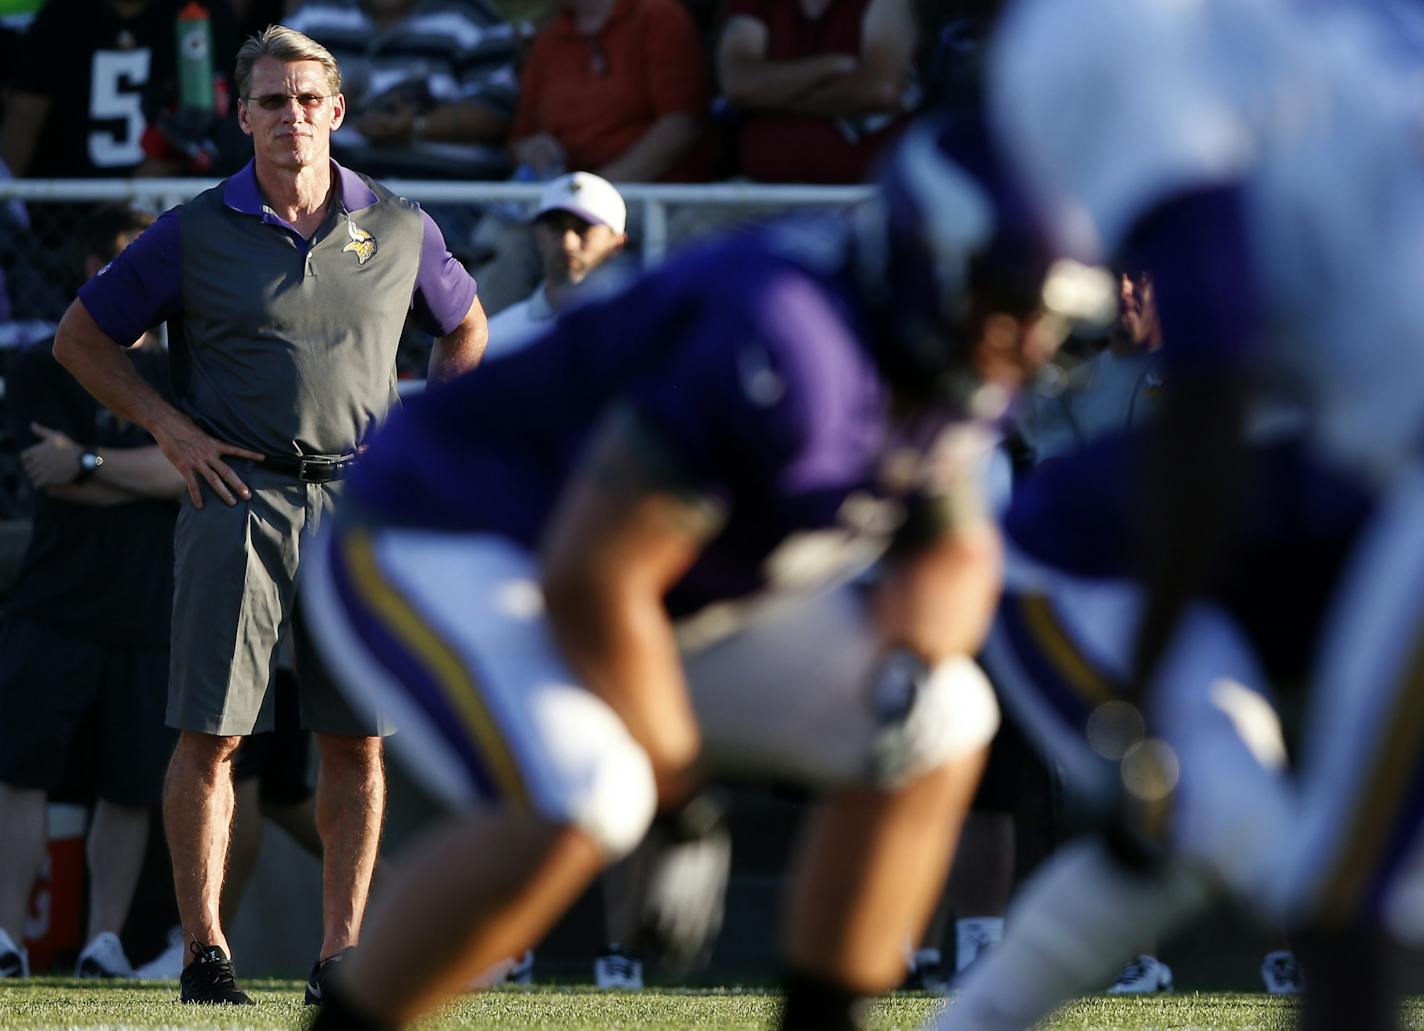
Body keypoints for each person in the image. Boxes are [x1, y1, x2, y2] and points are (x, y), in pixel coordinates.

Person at [297, 116, 1115, 1031]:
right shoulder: (788, 341)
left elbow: (955, 554)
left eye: (1044, 319)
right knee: (592, 793)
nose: (1028, 347)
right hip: (438, 540)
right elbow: (592, 581)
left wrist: (910, 651)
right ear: (936, 262)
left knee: (943, 713)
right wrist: (684, 808)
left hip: (638, 586)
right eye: (1012, 309)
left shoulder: (952, 344)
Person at [921, 1, 1424, 1027]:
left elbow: (1219, 366)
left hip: (1327, 485)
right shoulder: (1129, 39)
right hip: (1140, 538)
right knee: (1323, 892)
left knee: (1297, 875)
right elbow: (1215, 363)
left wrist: (1139, 693)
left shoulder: (1114, 38)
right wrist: (1140, 693)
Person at [49, 24, 489, 1005]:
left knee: (356, 740)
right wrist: (170, 428)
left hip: (359, 509)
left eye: (306, 100)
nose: (290, 118)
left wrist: (428, 449)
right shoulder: (192, 228)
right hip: (234, 497)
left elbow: (465, 324)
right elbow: (81, 336)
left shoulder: (402, 226)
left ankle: (340, 959)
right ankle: (206, 952)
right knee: (211, 733)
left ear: (336, 110)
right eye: (270, 101)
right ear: (240, 115)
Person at [0, 206, 183, 981]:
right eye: (118, 261)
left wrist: (94, 465)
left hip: (150, 607)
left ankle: (104, 943)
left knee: (131, 784)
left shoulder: (187, 369)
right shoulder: (46, 362)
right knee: (22, 770)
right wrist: (148, 475)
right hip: (56, 602)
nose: (136, 277)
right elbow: (50, 473)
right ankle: (7, 934)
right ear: (86, 271)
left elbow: (196, 475)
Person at [473, 0, 709, 313]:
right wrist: (531, 148)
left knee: (598, 257)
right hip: (563, 198)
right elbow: (519, 140)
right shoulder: (549, 37)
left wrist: (598, 193)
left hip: (648, 194)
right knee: (499, 239)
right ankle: (483, 358)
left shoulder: (660, 17)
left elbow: (681, 125)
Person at [282, 0, 521, 181]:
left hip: (440, 199)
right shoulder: (312, 16)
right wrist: (318, 105)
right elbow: (266, 95)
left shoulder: (473, 19)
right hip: (319, 191)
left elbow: (497, 112)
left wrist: (417, 127)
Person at [715, 0, 918, 183]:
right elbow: (737, 84)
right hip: (760, 192)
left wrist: (767, 95)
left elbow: (880, 89)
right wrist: (828, 67)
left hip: (860, 194)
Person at [483, 171, 631, 362]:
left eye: (583, 228)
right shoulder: (495, 339)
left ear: (617, 243)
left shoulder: (648, 331)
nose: (567, 242)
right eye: (556, 227)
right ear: (538, 235)